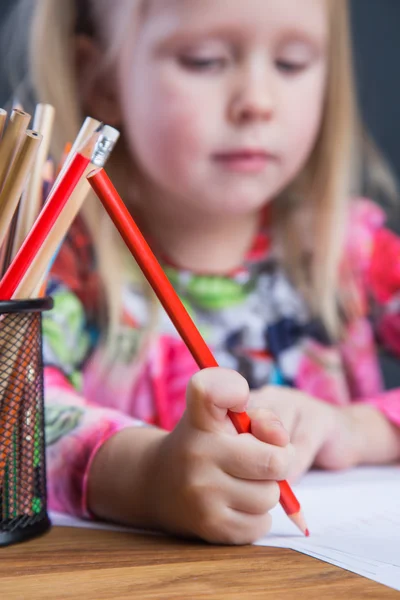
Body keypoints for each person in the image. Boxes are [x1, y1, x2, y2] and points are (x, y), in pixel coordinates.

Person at [16, 0, 400, 544]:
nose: (257, 103)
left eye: (291, 63)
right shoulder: (60, 253)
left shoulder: (349, 247)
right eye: (203, 60)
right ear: (99, 80)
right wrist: (148, 476)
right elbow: (17, 415)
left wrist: (359, 430)